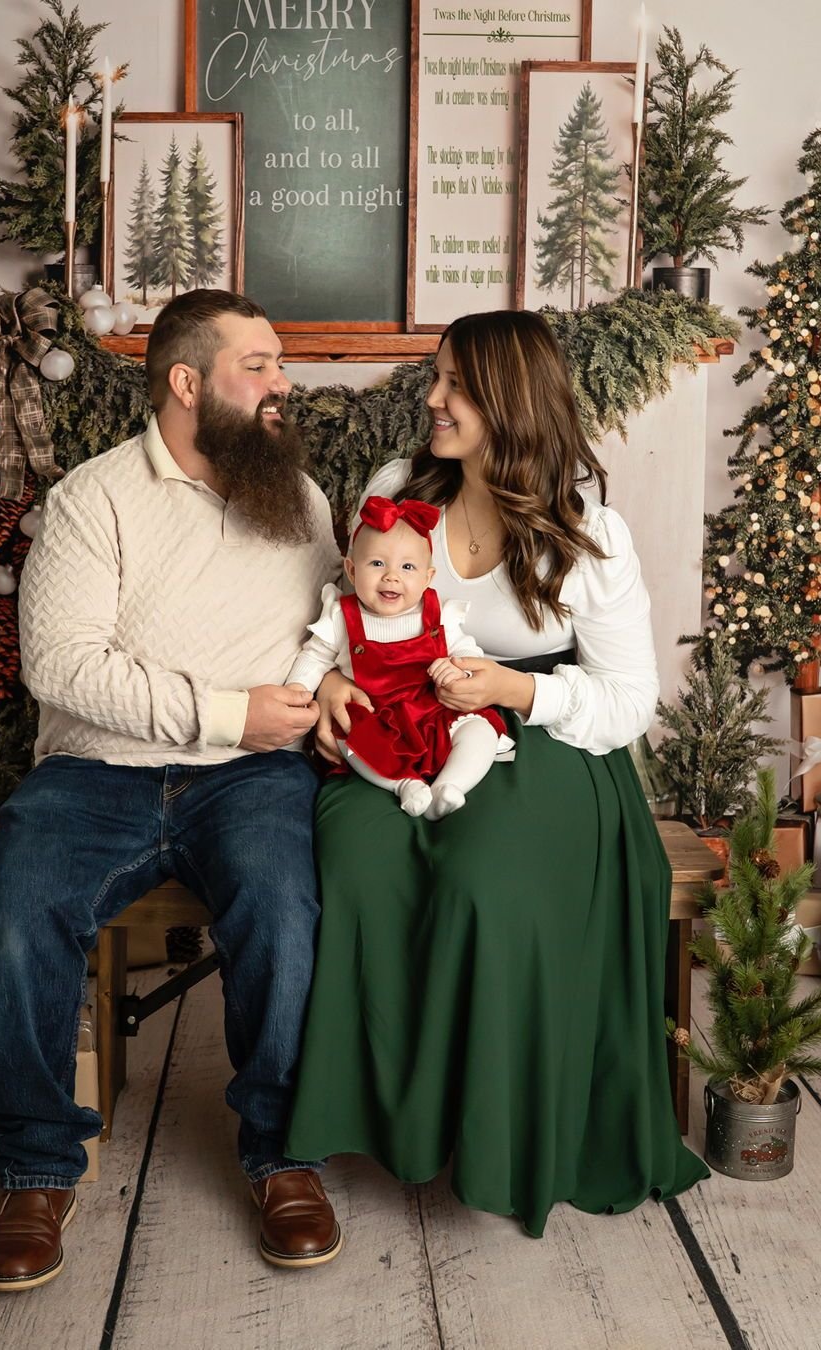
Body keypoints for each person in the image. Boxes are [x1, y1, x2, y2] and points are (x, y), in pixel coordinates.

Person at [284, 309, 709, 1237]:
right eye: (434, 378)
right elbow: (342, 610)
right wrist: (322, 688)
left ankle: (498, 1133)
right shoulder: (400, 489)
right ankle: (384, 1124)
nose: (430, 399)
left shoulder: (585, 532)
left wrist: (519, 689)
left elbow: (630, 699)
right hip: (408, 728)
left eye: (453, 386)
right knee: (357, 856)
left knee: (483, 880)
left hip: (547, 735)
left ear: (510, 403)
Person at [0, 289, 345, 1291]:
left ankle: (283, 1152)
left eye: (278, 362)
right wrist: (228, 714)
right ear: (188, 382)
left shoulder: (301, 500)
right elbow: (62, 668)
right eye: (258, 364)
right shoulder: (93, 501)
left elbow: (339, 625)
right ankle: (38, 1166)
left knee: (284, 901)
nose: (281, 382)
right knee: (20, 898)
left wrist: (332, 688)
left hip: (253, 777)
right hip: (97, 772)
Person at [286, 494, 511, 819]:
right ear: (351, 569)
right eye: (377, 564)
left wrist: (458, 670)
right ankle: (402, 784)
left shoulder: (438, 614)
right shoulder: (342, 616)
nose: (391, 576)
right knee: (351, 737)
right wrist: (298, 688)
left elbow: (467, 651)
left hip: (433, 708)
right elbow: (315, 656)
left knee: (480, 729)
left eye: (407, 567)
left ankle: (451, 786)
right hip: (375, 714)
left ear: (427, 578)